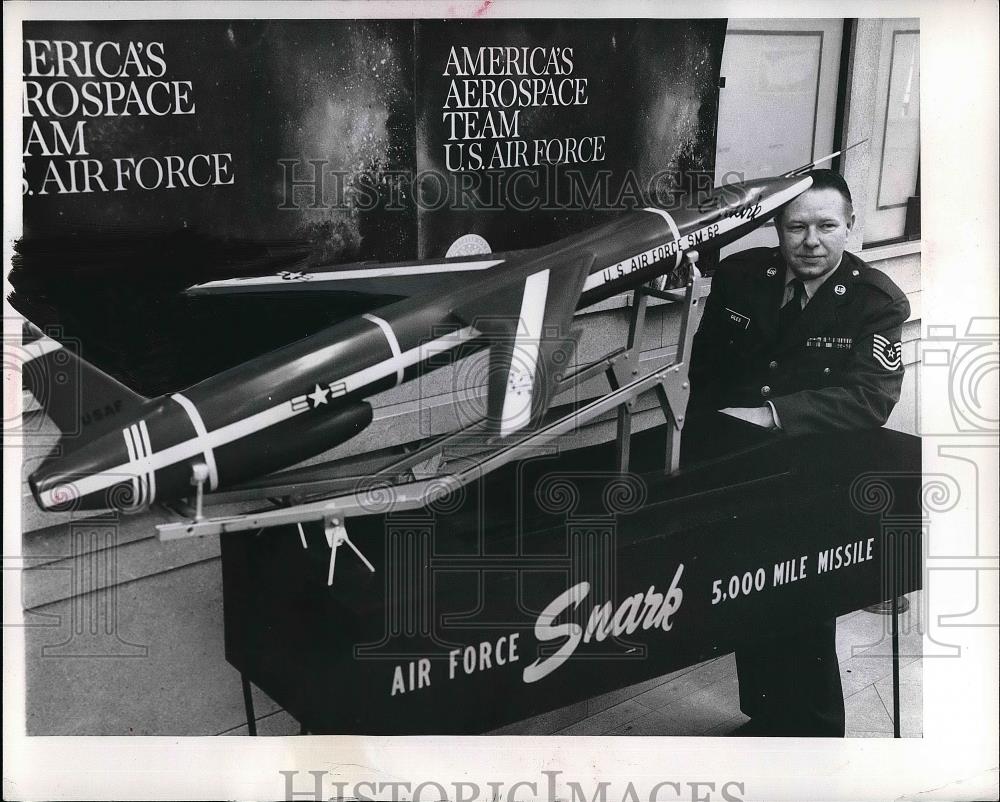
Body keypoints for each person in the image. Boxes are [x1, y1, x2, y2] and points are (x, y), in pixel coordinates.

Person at [688, 169, 910, 737]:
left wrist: (771, 414)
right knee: (745, 594)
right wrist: (700, 464)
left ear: (851, 227)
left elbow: (869, 398)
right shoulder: (742, 276)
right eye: (796, 227)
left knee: (803, 608)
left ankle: (813, 734)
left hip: (817, 477)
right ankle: (765, 717)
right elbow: (708, 372)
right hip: (739, 468)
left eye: (827, 226)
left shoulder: (874, 302)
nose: (811, 242)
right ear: (776, 229)